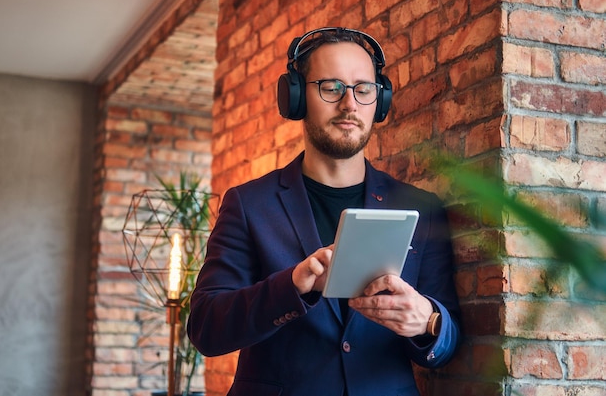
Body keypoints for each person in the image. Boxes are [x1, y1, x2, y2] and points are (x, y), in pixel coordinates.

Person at [188, 27, 461, 396]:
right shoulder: (248, 204)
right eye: (331, 87)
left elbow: (446, 343)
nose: (349, 104)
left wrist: (427, 321)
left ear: (379, 102)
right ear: (296, 97)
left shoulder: (421, 208)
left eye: (363, 90)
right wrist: (292, 286)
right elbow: (207, 328)